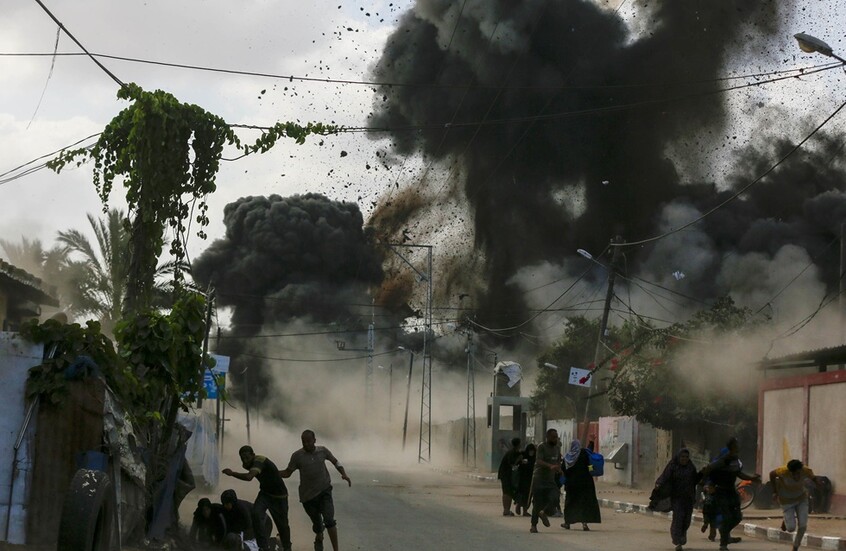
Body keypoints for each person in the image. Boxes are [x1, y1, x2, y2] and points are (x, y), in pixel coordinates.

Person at [280, 430, 351, 551]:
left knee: (329, 520)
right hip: (308, 497)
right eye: (304, 442)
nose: (306, 444)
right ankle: (319, 535)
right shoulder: (297, 456)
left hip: (324, 491)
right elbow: (287, 472)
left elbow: (335, 461)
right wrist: (272, 472)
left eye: (309, 441)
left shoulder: (323, 451)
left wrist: (343, 473)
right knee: (317, 524)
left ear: (314, 440)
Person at [223, 446, 292, 551]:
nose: (245, 460)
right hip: (265, 494)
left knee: (282, 525)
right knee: (256, 514)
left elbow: (249, 477)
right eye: (242, 458)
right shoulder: (248, 464)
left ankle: (287, 547)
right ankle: (263, 547)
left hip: (279, 497)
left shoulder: (259, 460)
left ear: (253, 455)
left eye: (247, 457)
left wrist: (232, 473)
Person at [700, 437, 761, 551]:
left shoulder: (735, 459)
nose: (738, 446)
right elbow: (708, 469)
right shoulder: (723, 460)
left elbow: (739, 473)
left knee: (737, 517)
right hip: (721, 492)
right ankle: (723, 544)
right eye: (736, 444)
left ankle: (724, 531)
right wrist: (707, 484)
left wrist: (752, 478)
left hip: (731, 491)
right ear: (732, 446)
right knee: (727, 517)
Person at [770, 459, 822, 551]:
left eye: (798, 473)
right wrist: (775, 491)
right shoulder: (783, 471)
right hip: (786, 501)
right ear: (790, 472)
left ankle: (795, 547)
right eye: (793, 474)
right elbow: (772, 474)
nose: (796, 476)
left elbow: (813, 478)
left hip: (801, 499)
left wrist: (818, 484)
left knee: (803, 526)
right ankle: (786, 520)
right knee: (791, 528)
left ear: (801, 471)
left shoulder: (806, 470)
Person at [655, 448, 701, 551]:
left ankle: (682, 534)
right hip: (677, 498)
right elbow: (665, 476)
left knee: (687, 520)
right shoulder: (673, 466)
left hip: (688, 498)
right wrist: (659, 484)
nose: (684, 459)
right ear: (678, 457)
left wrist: (702, 474)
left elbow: (695, 480)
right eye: (682, 457)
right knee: (678, 518)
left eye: (686, 457)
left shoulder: (691, 467)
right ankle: (677, 540)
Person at [560, 439, 601, 531]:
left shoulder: (567, 457)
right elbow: (589, 464)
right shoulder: (583, 454)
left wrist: (563, 481)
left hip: (571, 484)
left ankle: (567, 523)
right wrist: (591, 471)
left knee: (570, 503)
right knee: (584, 503)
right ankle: (584, 524)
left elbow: (563, 470)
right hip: (585, 483)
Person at [528, 428, 562, 533]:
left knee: (555, 496)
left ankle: (543, 512)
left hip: (550, 480)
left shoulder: (557, 448)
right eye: (553, 437)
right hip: (539, 479)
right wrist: (550, 466)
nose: (555, 439)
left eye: (556, 437)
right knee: (537, 502)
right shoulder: (542, 447)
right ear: (547, 437)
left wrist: (559, 469)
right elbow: (538, 460)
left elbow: (558, 461)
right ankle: (533, 526)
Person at [497, 437, 522, 516]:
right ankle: (506, 510)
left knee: (509, 492)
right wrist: (519, 459)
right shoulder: (511, 453)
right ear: (519, 444)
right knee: (507, 492)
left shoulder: (515, 452)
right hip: (505, 474)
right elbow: (512, 463)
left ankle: (507, 509)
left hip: (508, 475)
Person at [516, 444, 536, 517]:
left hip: (531, 479)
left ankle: (525, 510)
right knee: (522, 494)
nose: (531, 452)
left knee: (529, 495)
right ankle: (518, 505)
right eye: (530, 451)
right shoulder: (523, 456)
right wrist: (521, 462)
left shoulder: (535, 458)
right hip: (523, 478)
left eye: (532, 451)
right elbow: (518, 464)